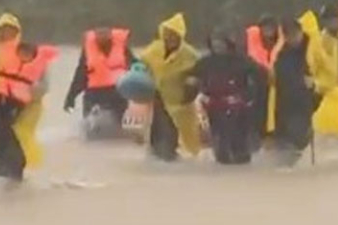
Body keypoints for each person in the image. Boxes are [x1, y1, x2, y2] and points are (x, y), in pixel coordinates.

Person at [0, 42, 59, 181]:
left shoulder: (38, 68)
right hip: (1, 98)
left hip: (19, 104)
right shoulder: (4, 61)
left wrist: (33, 91)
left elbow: (43, 89)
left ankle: (15, 179)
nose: (25, 56)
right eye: (23, 53)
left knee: (7, 125)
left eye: (28, 54)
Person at [0, 13, 49, 173]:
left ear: (18, 33)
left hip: (24, 113)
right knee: (0, 154)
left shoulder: (31, 56)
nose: (7, 36)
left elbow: (43, 86)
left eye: (11, 32)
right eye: (3, 32)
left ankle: (15, 187)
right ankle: (6, 189)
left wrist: (27, 94)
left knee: (17, 153)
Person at [194, 29, 264, 165]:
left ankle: (242, 162)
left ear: (228, 43)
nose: (217, 46)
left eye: (220, 42)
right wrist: (192, 82)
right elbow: (193, 76)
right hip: (214, 105)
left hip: (238, 105)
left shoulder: (241, 61)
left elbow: (259, 77)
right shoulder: (206, 62)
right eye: (214, 43)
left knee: (239, 143)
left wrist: (247, 96)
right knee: (220, 143)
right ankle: (223, 164)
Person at [139, 13, 202, 161]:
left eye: (174, 35)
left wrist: (193, 84)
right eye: (168, 34)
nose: (171, 38)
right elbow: (140, 64)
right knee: (157, 128)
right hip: (158, 96)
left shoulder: (190, 54)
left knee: (177, 131)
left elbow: (200, 72)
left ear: (181, 36)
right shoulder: (154, 50)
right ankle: (156, 156)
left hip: (179, 100)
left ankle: (172, 156)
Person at [64, 27, 137, 136]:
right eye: (99, 32)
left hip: (118, 92)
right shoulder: (88, 50)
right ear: (94, 33)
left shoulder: (122, 47)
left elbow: (136, 68)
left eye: (105, 31)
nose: (102, 35)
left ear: (111, 32)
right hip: (94, 93)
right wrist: (71, 98)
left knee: (122, 129)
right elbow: (81, 75)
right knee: (89, 130)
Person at [268, 18, 317, 161]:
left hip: (306, 103)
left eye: (295, 34)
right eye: (288, 35)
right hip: (284, 104)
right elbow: (274, 78)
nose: (292, 38)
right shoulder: (281, 53)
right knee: (284, 145)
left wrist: (315, 82)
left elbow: (327, 70)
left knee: (298, 139)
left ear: (301, 32)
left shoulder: (313, 48)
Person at [244, 15, 279, 150]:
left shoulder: (282, 44)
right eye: (265, 27)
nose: (268, 30)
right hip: (258, 86)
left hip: (278, 86)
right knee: (258, 117)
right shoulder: (251, 44)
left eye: (271, 27)